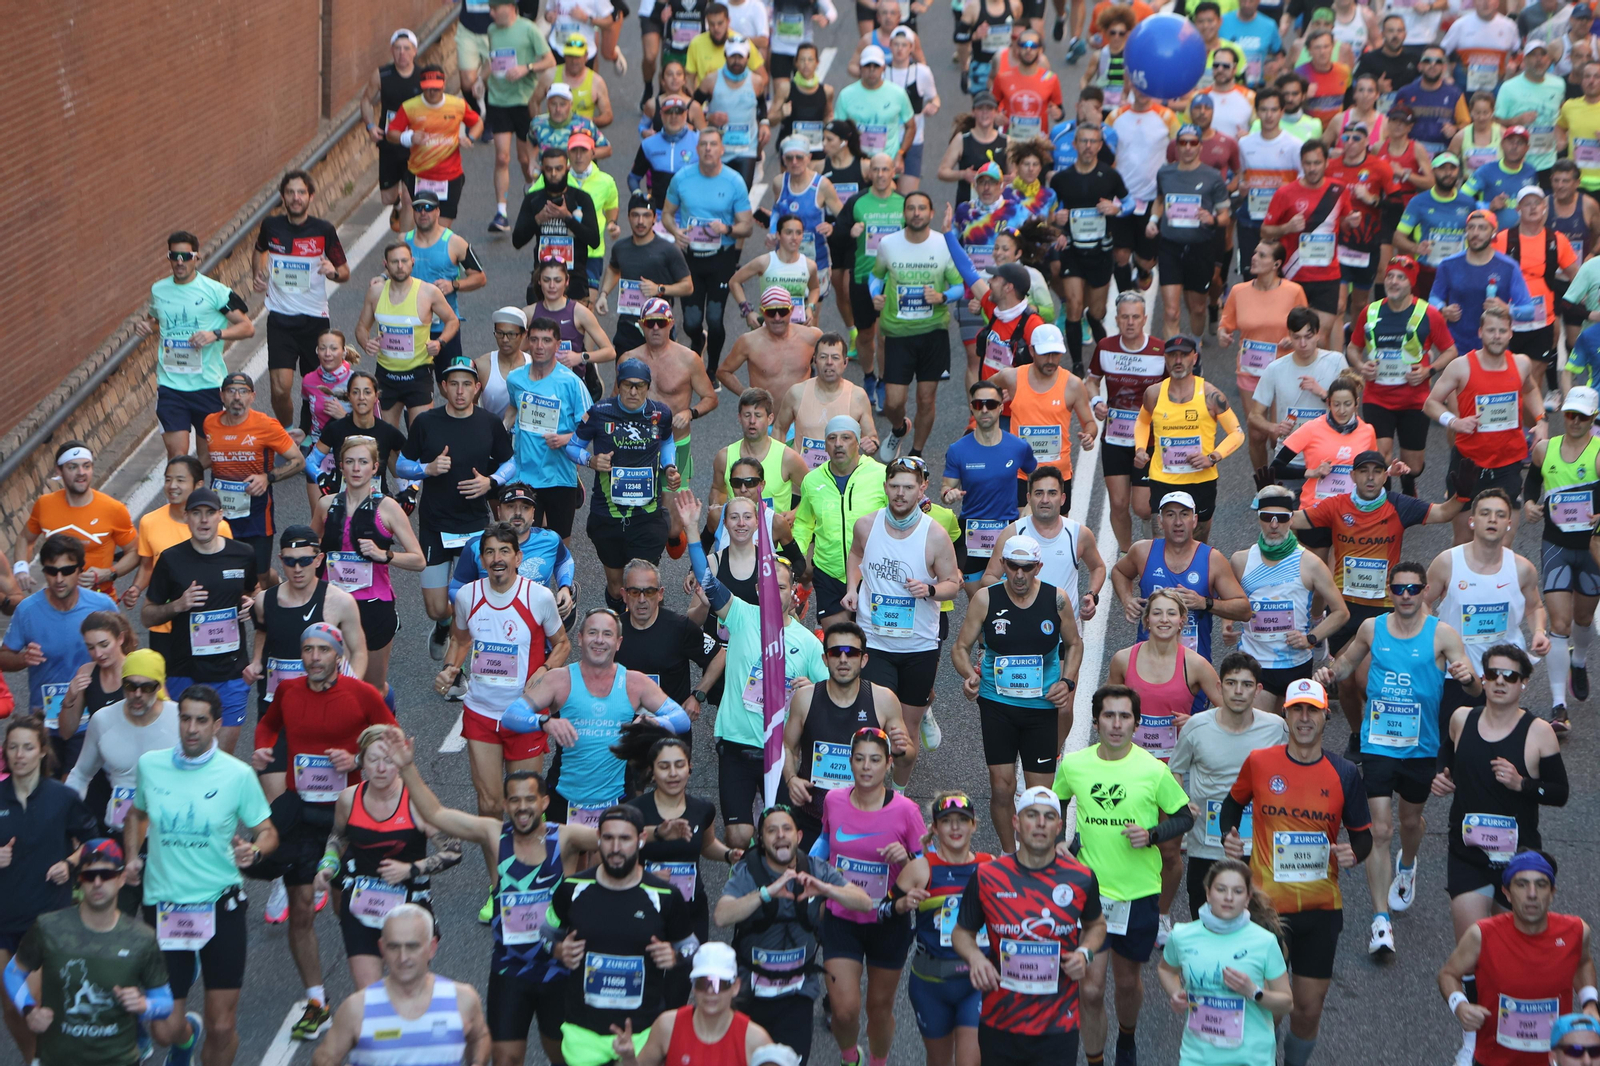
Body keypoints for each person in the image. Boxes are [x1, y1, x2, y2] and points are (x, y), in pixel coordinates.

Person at [382, 726, 596, 1066]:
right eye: (514, 800)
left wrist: (662, 829)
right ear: (506, 804)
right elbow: (437, 815)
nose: (522, 808)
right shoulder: (493, 834)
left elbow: (622, 839)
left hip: (559, 970)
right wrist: (407, 767)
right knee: (505, 1059)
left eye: (530, 799)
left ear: (544, 802)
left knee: (566, 1058)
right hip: (510, 971)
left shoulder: (567, 839)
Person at [1316, 560, 1476, 956]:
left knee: (1409, 821)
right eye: (1399, 589)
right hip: (1379, 742)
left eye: (1413, 588)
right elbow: (1347, 664)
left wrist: (1468, 676)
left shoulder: (1443, 635)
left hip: (1421, 747)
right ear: (1390, 591)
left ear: (1425, 591)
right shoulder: (1373, 628)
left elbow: (1473, 690)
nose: (1406, 595)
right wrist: (1328, 674)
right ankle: (1380, 921)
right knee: (1380, 830)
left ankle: (1409, 865)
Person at [251, 626, 396, 1040]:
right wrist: (263, 747)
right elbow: (268, 724)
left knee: (348, 908)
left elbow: (394, 739)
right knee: (300, 910)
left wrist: (356, 757)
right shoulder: (289, 691)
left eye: (322, 650)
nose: (314, 657)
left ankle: (378, 992)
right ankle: (317, 1001)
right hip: (301, 812)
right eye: (307, 650)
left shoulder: (361, 694)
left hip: (347, 814)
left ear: (338, 655)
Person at [1220, 677, 1371, 1066]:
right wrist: (1229, 837)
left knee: (1307, 1008)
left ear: (1326, 716)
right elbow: (1232, 805)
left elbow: (1363, 837)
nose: (1304, 718)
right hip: (1266, 908)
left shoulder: (1345, 773)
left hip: (1321, 910)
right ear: (1285, 715)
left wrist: (1354, 853)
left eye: (1312, 711)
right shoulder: (1260, 762)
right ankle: (1261, 1058)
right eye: (1296, 710)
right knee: (1264, 1002)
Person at [124, 687, 278, 1066]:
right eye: (185, 719)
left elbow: (268, 831)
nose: (192, 728)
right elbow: (137, 814)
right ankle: (185, 1038)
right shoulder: (150, 765)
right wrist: (131, 856)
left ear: (216, 724)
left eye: (201, 720)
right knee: (163, 1029)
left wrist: (254, 850)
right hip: (165, 907)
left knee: (223, 1025)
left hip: (219, 907)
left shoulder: (237, 774)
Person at [1435, 644, 1570, 1066]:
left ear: (1524, 683)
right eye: (1492, 674)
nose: (1498, 682)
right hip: (1469, 854)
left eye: (1509, 676)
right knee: (1473, 952)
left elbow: (1560, 793)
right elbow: (1447, 759)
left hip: (1518, 862)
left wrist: (1522, 785)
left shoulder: (1539, 732)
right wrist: (1444, 779)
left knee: (1511, 955)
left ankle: (1519, 1037)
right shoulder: (1462, 719)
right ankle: (1472, 1041)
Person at [1051, 686, 1190, 1066]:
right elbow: (1055, 802)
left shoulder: (1153, 769)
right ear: (1096, 722)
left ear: (1136, 722)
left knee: (1127, 983)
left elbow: (1184, 815)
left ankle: (1126, 1041)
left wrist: (1154, 835)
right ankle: (1096, 1060)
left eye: (1124, 716)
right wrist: (1060, 842)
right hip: (1090, 894)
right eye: (1108, 716)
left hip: (1138, 893)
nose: (1116, 724)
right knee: (1091, 990)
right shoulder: (1076, 765)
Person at [949, 785, 1103, 1066]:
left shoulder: (1081, 878)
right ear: (1017, 823)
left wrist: (1086, 953)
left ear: (1059, 826)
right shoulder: (988, 876)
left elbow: (1097, 926)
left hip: (1058, 1024)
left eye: (1048, 817)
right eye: (1032, 815)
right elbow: (961, 933)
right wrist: (974, 958)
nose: (1040, 823)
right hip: (1001, 1020)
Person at [951, 533, 1082, 850]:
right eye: (1012, 567)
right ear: (1003, 565)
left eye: (1027, 568)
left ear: (1038, 566)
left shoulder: (1056, 599)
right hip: (997, 704)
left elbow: (1075, 644)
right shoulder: (986, 599)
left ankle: (1038, 854)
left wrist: (1066, 682)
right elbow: (960, 647)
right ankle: (1010, 854)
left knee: (1040, 797)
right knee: (1001, 788)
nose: (1019, 575)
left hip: (1041, 708)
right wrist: (970, 676)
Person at [438, 521, 570, 835]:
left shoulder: (538, 597)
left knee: (526, 807)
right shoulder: (468, 596)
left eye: (504, 551)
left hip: (524, 715)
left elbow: (563, 644)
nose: (497, 558)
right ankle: (498, 880)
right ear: (481, 560)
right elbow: (459, 640)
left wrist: (546, 670)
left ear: (518, 558)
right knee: (489, 804)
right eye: (490, 552)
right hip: (481, 712)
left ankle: (531, 875)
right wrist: (450, 668)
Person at [4, 838, 181, 1066]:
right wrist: (29, 1010)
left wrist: (144, 1005)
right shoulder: (49, 927)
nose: (97, 882)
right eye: (89, 875)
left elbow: (164, 1001)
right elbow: (12, 973)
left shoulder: (142, 938)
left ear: (121, 879)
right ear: (80, 881)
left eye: (106, 875)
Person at [546, 805, 699, 1066]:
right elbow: (545, 934)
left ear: (640, 840)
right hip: (583, 1033)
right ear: (598, 840)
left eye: (625, 838)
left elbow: (692, 946)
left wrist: (674, 956)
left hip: (643, 1031)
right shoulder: (572, 889)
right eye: (608, 838)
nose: (616, 847)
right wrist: (558, 950)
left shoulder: (664, 895)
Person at [313, 727, 462, 991]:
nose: (381, 769)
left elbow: (453, 851)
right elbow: (338, 837)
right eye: (373, 760)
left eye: (389, 761)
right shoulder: (348, 798)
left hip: (409, 908)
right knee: (369, 996)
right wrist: (328, 865)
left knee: (408, 991)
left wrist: (411, 869)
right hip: (362, 905)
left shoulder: (417, 802)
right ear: (362, 762)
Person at [812, 727, 926, 1066]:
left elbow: (925, 868)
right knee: (844, 1012)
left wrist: (905, 860)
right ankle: (851, 1058)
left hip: (887, 920)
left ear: (888, 764)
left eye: (875, 760)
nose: (866, 767)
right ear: (850, 762)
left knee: (878, 1009)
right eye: (859, 759)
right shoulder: (833, 801)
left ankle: (878, 1061)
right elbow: (825, 841)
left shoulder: (907, 811)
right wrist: (808, 875)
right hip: (840, 918)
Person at [842, 456, 960, 774]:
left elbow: (954, 583)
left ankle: (900, 793)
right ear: (885, 487)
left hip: (918, 647)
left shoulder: (934, 535)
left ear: (922, 489)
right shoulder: (866, 525)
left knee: (904, 740)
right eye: (894, 486)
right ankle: (873, 797)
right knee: (876, 730)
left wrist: (931, 590)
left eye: (908, 487)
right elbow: (855, 554)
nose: (900, 494)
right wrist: (853, 587)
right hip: (875, 643)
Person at [396, 357, 515, 657]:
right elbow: (401, 465)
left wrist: (491, 482)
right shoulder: (426, 422)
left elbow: (511, 461)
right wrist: (428, 469)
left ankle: (463, 664)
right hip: (435, 526)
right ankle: (444, 624)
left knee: (472, 600)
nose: (460, 391)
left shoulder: (489, 423)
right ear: (444, 387)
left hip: (473, 526)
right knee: (436, 607)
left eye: (467, 384)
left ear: (476, 388)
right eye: (454, 384)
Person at [1438, 852, 1598, 1066]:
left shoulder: (1576, 931)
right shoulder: (1482, 935)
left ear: (1552, 893)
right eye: (1522, 885)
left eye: (1541, 885)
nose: (1532, 894)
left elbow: (1583, 962)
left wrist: (1589, 1003)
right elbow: (1448, 974)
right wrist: (1460, 1006)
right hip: (1493, 1059)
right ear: (1507, 893)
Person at [0, 718, 99, 1066]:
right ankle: (35, 1059)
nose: (20, 754)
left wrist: (70, 864)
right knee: (13, 1008)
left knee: (32, 999)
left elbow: (94, 844)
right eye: (13, 747)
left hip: (46, 919)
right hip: (3, 919)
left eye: (28, 747)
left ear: (42, 750)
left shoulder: (62, 797)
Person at [139, 489, 259, 753]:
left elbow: (255, 591)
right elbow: (147, 615)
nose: (203, 520)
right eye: (196, 513)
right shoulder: (171, 559)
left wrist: (253, 604)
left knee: (222, 760)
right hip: (185, 674)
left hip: (231, 674)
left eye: (209, 513)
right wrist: (179, 605)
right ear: (186, 518)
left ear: (221, 516)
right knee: (186, 752)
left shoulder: (243, 554)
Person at [1168, 652, 1287, 916]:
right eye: (1231, 683)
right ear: (1220, 687)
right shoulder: (1196, 727)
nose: (1238, 691)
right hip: (1207, 845)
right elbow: (1174, 770)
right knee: (1204, 919)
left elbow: (1293, 770)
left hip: (1258, 845)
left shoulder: (1277, 728)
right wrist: (1182, 802)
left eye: (1246, 685)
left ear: (1258, 690)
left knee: (1260, 921)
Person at [311, 904, 489, 1066]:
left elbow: (481, 1037)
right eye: (394, 947)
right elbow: (325, 1057)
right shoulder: (357, 1008)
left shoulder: (462, 1000)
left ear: (432, 947)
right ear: (382, 948)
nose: (403, 958)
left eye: (412, 947)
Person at [1155, 858, 1294, 1066]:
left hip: (1251, 1058)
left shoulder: (1264, 941)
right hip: (1198, 1056)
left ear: (1247, 899)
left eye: (1238, 892)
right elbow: (1166, 970)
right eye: (1221, 889)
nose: (1229, 897)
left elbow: (1286, 1003)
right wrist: (1176, 993)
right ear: (1208, 893)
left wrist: (1253, 991)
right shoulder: (1182, 935)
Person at [1423, 305, 1542, 545]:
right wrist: (1454, 421)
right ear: (1480, 333)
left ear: (1510, 333)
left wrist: (1541, 419)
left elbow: (1530, 389)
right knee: (1465, 541)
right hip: (1469, 464)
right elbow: (1430, 403)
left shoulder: (1521, 364)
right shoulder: (1461, 366)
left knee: (1503, 543)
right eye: (1490, 330)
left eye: (1501, 330)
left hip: (1508, 463)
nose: (1496, 336)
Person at [312, 438, 422, 697]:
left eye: (363, 462)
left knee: (373, 689)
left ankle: (386, 729)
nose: (356, 468)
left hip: (374, 605)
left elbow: (419, 560)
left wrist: (386, 555)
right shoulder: (326, 506)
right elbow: (310, 550)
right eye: (350, 462)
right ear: (341, 466)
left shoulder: (388, 508)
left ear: (375, 468)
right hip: (333, 604)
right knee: (335, 685)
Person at [569, 359, 681, 607]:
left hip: (647, 515)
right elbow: (572, 446)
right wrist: (590, 460)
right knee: (617, 586)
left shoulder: (660, 414)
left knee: (644, 583)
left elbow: (667, 441)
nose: (633, 392)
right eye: (627, 385)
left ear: (647, 387)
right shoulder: (599, 412)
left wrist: (670, 466)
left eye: (639, 386)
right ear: (618, 385)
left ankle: (647, 633)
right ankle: (620, 631)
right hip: (607, 514)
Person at [1225, 486, 1347, 708]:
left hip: (1295, 664)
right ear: (1259, 519)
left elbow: (1341, 612)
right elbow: (1229, 598)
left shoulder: (1310, 563)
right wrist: (1227, 622)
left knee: (1294, 735)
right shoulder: (1240, 560)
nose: (1274, 525)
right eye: (1267, 517)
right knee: (1259, 736)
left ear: (1291, 519)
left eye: (1281, 518)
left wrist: (1311, 638)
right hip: (1254, 663)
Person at [1112, 491, 1253, 683]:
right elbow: (1119, 572)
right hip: (1147, 665)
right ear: (1160, 521)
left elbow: (1244, 610)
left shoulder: (1212, 559)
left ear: (1194, 520)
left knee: (1193, 715)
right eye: (1170, 515)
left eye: (1184, 514)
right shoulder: (1143, 551)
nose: (1178, 522)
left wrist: (1205, 603)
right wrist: (1127, 599)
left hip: (1193, 669)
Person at [137, 231, 254, 460]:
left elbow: (247, 328)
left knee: (206, 459)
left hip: (207, 385)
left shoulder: (216, 291)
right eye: (175, 256)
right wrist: (146, 326)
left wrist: (216, 334)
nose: (180, 262)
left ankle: (198, 494)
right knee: (177, 455)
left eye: (186, 256)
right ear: (169, 257)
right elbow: (155, 320)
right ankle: (183, 494)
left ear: (196, 258)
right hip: (171, 385)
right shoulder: (158, 290)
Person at [893, 793, 991, 1066]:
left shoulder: (990, 866)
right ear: (934, 828)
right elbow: (882, 913)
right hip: (930, 984)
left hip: (977, 983)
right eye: (947, 821)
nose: (956, 827)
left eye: (963, 820)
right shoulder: (920, 869)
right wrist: (901, 904)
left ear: (974, 825)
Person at [0, 534, 117, 762]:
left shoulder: (102, 606)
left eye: (67, 570)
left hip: (93, 719)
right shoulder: (27, 610)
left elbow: (126, 653)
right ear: (44, 572)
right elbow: (3, 657)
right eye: (52, 571)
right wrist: (23, 659)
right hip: (46, 723)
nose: (59, 578)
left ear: (80, 571)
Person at [1347, 254, 1457, 495]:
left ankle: (1409, 483)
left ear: (1411, 283)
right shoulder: (1371, 312)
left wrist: (1429, 370)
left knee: (1414, 464)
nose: (1394, 282)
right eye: (1390, 276)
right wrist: (1360, 365)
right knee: (1379, 456)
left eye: (1401, 278)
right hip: (1377, 397)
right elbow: (1353, 348)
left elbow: (1450, 350)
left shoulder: (1428, 313)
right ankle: (1384, 503)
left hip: (1414, 399)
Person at [1524, 387, 1600, 731]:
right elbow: (1531, 484)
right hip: (1555, 544)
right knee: (1560, 624)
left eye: (1582, 416)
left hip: (1591, 548)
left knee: (1583, 619)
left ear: (1593, 419)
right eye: (1570, 414)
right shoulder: (1545, 449)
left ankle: (1579, 660)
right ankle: (1558, 706)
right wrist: (1528, 503)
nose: (1575, 422)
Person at [252, 171, 351, 432]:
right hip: (280, 320)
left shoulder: (323, 230)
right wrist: (258, 274)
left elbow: (344, 272)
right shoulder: (271, 227)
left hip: (314, 320)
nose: (296, 198)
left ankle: (312, 431)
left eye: (301, 193)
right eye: (291, 193)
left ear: (310, 197)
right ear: (283, 197)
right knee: (279, 387)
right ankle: (286, 432)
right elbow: (260, 250)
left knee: (315, 384)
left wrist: (333, 272)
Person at [872, 191, 966, 461]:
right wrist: (874, 296)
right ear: (904, 213)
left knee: (926, 399)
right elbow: (875, 276)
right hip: (898, 333)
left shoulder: (943, 244)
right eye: (911, 208)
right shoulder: (888, 244)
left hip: (933, 332)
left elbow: (960, 285)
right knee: (893, 402)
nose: (916, 213)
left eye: (921, 208)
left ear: (931, 213)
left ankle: (916, 453)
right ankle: (900, 427)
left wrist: (943, 297)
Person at [663, 129, 756, 379]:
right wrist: (676, 232)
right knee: (691, 322)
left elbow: (746, 226)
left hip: (720, 257)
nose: (707, 149)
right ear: (697, 149)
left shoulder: (734, 180)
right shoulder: (682, 178)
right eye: (703, 144)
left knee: (715, 319)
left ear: (721, 149)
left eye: (713, 144)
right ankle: (697, 339)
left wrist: (726, 228)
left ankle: (712, 369)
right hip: (690, 256)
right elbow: (667, 214)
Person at [65, 643, 176, 850]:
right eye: (130, 686)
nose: (137, 694)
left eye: (147, 687)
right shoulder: (103, 720)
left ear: (160, 686)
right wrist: (66, 817)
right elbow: (80, 774)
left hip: (167, 836)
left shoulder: (180, 720)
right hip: (118, 831)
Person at [1131, 338, 1245, 540]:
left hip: (1200, 481)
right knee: (1163, 541)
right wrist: (1140, 449)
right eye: (1173, 355)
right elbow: (1142, 422)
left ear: (1194, 358)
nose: (1178, 360)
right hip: (1163, 479)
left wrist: (1212, 457)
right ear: (1165, 358)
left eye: (1184, 355)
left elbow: (1237, 433)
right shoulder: (1154, 394)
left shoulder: (1211, 395)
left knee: (1197, 542)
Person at [125, 457, 236, 661]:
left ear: (198, 485)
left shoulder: (219, 528)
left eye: (180, 480)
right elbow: (148, 565)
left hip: (206, 623)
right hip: (164, 623)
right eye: (168, 480)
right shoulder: (149, 522)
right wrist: (136, 588)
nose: (172, 486)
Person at [200, 371, 306, 582]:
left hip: (256, 513)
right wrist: (185, 475)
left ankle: (274, 588)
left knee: (259, 577)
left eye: (243, 391)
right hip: (221, 514)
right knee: (223, 573)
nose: (237, 397)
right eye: (231, 391)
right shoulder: (210, 423)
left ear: (252, 396)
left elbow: (298, 460)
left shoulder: (266, 425)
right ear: (222, 396)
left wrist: (268, 478)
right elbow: (206, 458)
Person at [1220, 242, 1310, 477]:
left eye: (1261, 255)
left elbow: (1305, 327)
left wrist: (1292, 339)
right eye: (1254, 252)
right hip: (1250, 372)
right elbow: (1226, 324)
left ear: (1277, 264)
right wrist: (1223, 334)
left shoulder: (1293, 291)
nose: (1254, 258)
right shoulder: (1239, 291)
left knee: (1276, 436)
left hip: (1284, 371)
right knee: (1257, 432)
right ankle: (1264, 484)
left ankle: (1284, 476)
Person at [1084, 293, 1164, 553]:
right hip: (1115, 437)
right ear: (1116, 319)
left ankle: (1151, 548)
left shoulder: (1159, 350)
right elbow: (1092, 379)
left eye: (1136, 317)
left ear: (1145, 319)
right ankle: (1130, 554)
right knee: (1118, 503)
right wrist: (1096, 401)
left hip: (1149, 440)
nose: (1130, 322)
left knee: (1142, 506)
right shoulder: (1106, 347)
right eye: (1125, 317)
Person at [793, 417, 890, 628]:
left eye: (846, 437)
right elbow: (803, 523)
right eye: (832, 438)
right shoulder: (812, 480)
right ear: (825, 445)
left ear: (857, 442)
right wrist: (797, 555)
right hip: (829, 572)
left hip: (872, 572)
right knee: (838, 645)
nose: (838, 443)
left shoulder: (881, 475)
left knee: (870, 644)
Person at [941, 381, 1038, 591]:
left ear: (1001, 406)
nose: (984, 409)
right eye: (978, 404)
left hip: (1008, 530)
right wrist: (949, 494)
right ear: (972, 407)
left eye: (991, 404)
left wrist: (1029, 508)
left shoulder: (1018, 447)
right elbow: (946, 488)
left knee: (1009, 597)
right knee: (977, 602)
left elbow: (1036, 476)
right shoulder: (957, 450)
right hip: (971, 533)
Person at [1245, 303, 1346, 497]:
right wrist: (1273, 428)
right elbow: (1254, 416)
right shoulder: (1275, 369)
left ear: (1318, 334)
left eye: (1308, 337)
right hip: (1291, 459)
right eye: (1297, 337)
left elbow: (1352, 410)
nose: (1302, 344)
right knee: (1290, 521)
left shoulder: (1336, 361)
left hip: (1329, 458)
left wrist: (1324, 394)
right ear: (1289, 336)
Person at [1049, 124, 1125, 376]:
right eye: (1083, 141)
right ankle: (1078, 365)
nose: (1088, 146)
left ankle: (1101, 342)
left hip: (1101, 252)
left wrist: (1117, 209)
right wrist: (1055, 221)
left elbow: (1130, 202)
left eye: (1093, 141)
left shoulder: (1110, 176)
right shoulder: (1061, 179)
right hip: (1073, 251)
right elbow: (1049, 212)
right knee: (1073, 305)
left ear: (1100, 146)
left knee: (1097, 312)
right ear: (1075, 144)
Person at [14, 442, 136, 599]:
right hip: (58, 600)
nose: (81, 473)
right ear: (59, 470)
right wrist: (20, 568)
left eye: (86, 466)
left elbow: (134, 551)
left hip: (98, 600)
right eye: (73, 467)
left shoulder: (113, 509)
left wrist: (109, 573)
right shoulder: (45, 505)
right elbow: (25, 537)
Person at [1261, 140, 1354, 345]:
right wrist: (1286, 228)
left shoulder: (1339, 190)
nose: (1312, 169)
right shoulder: (1285, 193)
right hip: (1294, 273)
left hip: (1327, 274)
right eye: (1307, 163)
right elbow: (1265, 231)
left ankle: (1321, 377)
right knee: (1292, 337)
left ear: (1326, 163)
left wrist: (1351, 222)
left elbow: (1344, 223)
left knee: (1320, 337)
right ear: (1301, 163)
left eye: (1317, 163)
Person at [447, 484, 577, 622]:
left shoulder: (551, 540)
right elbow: (455, 589)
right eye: (510, 506)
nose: (518, 513)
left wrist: (565, 586)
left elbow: (564, 561)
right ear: (498, 511)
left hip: (537, 624)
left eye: (525, 507)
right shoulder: (475, 546)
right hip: (491, 624)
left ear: (533, 513)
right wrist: (481, 605)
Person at [386, 65, 484, 228]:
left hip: (450, 176)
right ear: (421, 86)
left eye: (436, 89)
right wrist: (408, 137)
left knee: (440, 230)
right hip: (419, 174)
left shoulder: (457, 105)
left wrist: (470, 138)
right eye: (428, 88)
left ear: (444, 85)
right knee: (411, 211)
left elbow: (477, 122)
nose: (432, 92)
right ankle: (405, 250)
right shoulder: (410, 107)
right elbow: (391, 133)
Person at [603, 193, 694, 355]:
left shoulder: (668, 250)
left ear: (654, 219)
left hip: (658, 327)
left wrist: (659, 289)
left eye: (646, 216)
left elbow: (688, 287)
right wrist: (604, 293)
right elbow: (613, 268)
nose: (640, 221)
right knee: (625, 376)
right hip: (628, 326)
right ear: (628, 217)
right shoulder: (620, 248)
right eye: (635, 215)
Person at [1271, 372, 1378, 508]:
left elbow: (1373, 471)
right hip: (1315, 508)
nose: (1342, 410)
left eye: (1347, 404)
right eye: (1336, 404)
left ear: (1356, 403)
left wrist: (1391, 471)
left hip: (1352, 509)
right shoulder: (1311, 428)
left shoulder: (1367, 431)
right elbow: (1275, 468)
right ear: (1328, 403)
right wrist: (1311, 472)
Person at [512, 147, 604, 305]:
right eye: (548, 169)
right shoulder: (533, 199)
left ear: (567, 168)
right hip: (542, 281)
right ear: (542, 169)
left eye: (558, 169)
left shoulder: (581, 199)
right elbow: (517, 241)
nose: (554, 174)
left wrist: (567, 218)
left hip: (575, 281)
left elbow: (594, 240)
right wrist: (538, 220)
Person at [776, 334, 876, 470]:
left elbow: (871, 437)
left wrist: (871, 444)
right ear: (814, 360)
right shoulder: (796, 393)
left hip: (841, 484)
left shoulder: (858, 396)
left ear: (845, 363)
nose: (829, 362)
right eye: (823, 357)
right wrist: (778, 466)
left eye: (835, 358)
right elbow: (779, 429)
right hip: (802, 483)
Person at [719, 284, 824, 400]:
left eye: (783, 311)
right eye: (771, 313)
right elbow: (724, 371)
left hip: (801, 416)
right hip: (766, 416)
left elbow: (834, 363)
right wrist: (747, 395)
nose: (777, 318)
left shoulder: (812, 337)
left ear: (791, 310)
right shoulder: (749, 342)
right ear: (762, 312)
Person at [1393, 149, 1469, 298]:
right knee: (1426, 318)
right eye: (1442, 168)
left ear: (1458, 171)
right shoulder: (1419, 202)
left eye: (1452, 168)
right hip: (1427, 272)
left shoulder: (1468, 202)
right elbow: (1397, 238)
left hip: (1460, 271)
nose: (1448, 173)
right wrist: (1415, 247)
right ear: (1433, 171)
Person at [363, 29, 423, 217]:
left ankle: (405, 241)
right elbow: (365, 100)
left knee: (409, 196)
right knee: (387, 198)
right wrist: (371, 126)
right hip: (389, 141)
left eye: (406, 48)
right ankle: (396, 206)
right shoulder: (382, 75)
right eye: (397, 48)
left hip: (413, 144)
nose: (402, 53)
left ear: (415, 51)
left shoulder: (422, 77)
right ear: (391, 50)